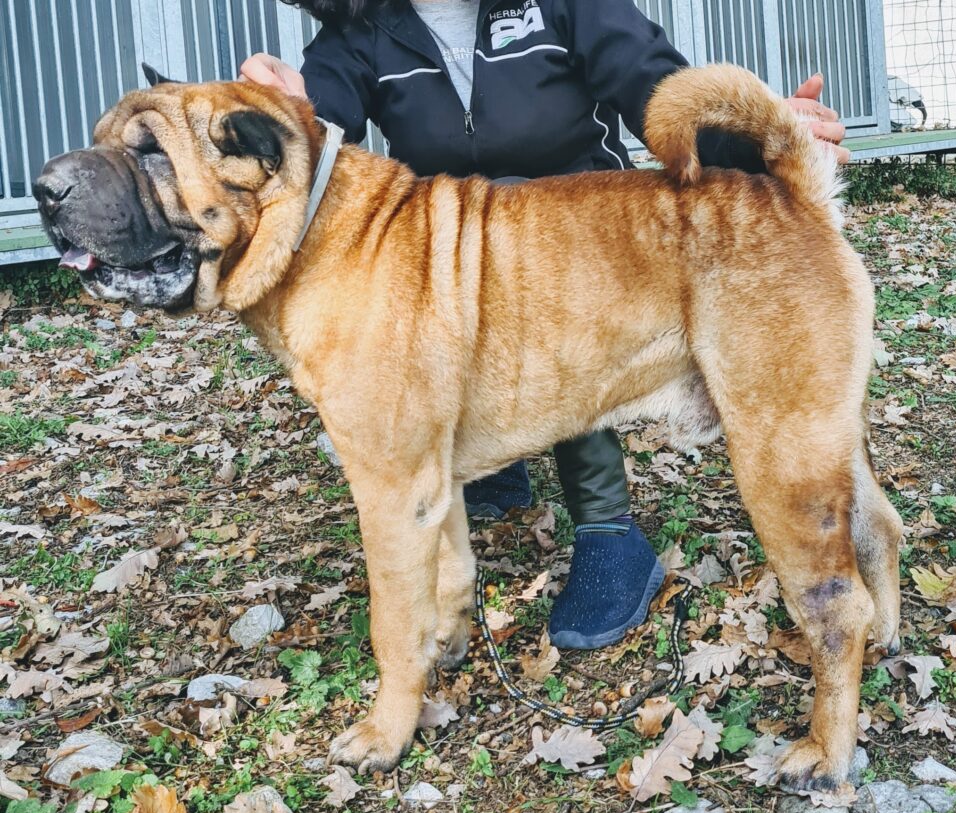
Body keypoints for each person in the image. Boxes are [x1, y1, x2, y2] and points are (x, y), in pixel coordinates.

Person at [241, 0, 848, 651]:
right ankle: (490, 459)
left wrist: (767, 146)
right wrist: (283, 113)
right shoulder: (361, 28)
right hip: (458, 262)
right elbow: (319, 135)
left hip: (594, 236)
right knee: (437, 271)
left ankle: (607, 530)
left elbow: (651, 84)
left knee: (529, 266)